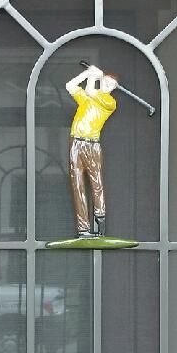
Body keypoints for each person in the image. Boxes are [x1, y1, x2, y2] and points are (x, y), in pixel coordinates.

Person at [65, 64, 118, 236]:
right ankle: (83, 229)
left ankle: (100, 224)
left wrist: (93, 77)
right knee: (77, 185)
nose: (106, 86)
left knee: (96, 184)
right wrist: (87, 73)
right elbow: (70, 86)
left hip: (91, 145)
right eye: (105, 82)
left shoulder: (109, 102)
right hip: (76, 143)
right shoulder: (87, 99)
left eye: (111, 85)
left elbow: (90, 91)